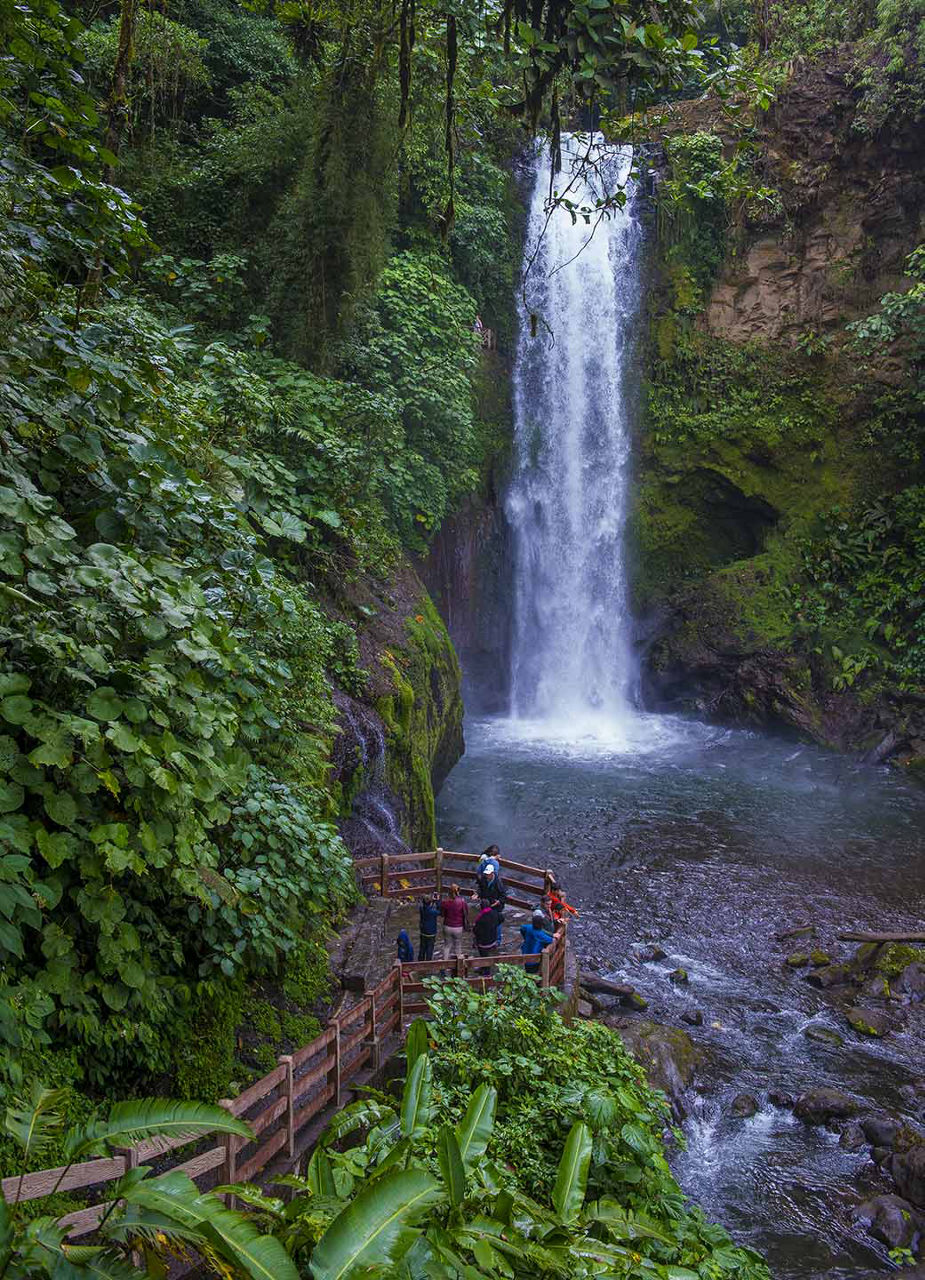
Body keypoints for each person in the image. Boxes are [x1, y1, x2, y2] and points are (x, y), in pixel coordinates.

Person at [474, 846, 506, 946]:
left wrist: (499, 901)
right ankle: (487, 938)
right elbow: (481, 889)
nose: (486, 876)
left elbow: (503, 895)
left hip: (496, 905)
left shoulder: (498, 883)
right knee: (485, 920)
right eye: (486, 874)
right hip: (487, 903)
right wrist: (477, 894)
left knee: (497, 923)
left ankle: (498, 941)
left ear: (492, 873)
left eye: (488, 874)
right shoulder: (484, 879)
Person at [520, 909, 554, 974]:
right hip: (534, 957)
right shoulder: (540, 934)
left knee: (527, 970)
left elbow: (522, 928)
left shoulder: (528, 927)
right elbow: (550, 940)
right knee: (533, 972)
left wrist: (525, 937)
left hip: (525, 952)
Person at [440, 883, 468, 959]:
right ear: (458, 891)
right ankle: (459, 966)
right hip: (458, 927)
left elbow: (442, 914)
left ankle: (444, 964)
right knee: (458, 946)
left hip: (447, 926)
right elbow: (466, 914)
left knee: (447, 946)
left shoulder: (445, 902)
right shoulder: (462, 902)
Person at [418, 892, 440, 961]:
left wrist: (432, 901)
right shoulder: (432, 912)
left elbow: (427, 906)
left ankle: (420, 960)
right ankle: (428, 962)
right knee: (429, 949)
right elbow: (439, 911)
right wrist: (437, 901)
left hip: (423, 931)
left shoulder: (421, 909)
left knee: (422, 948)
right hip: (431, 933)